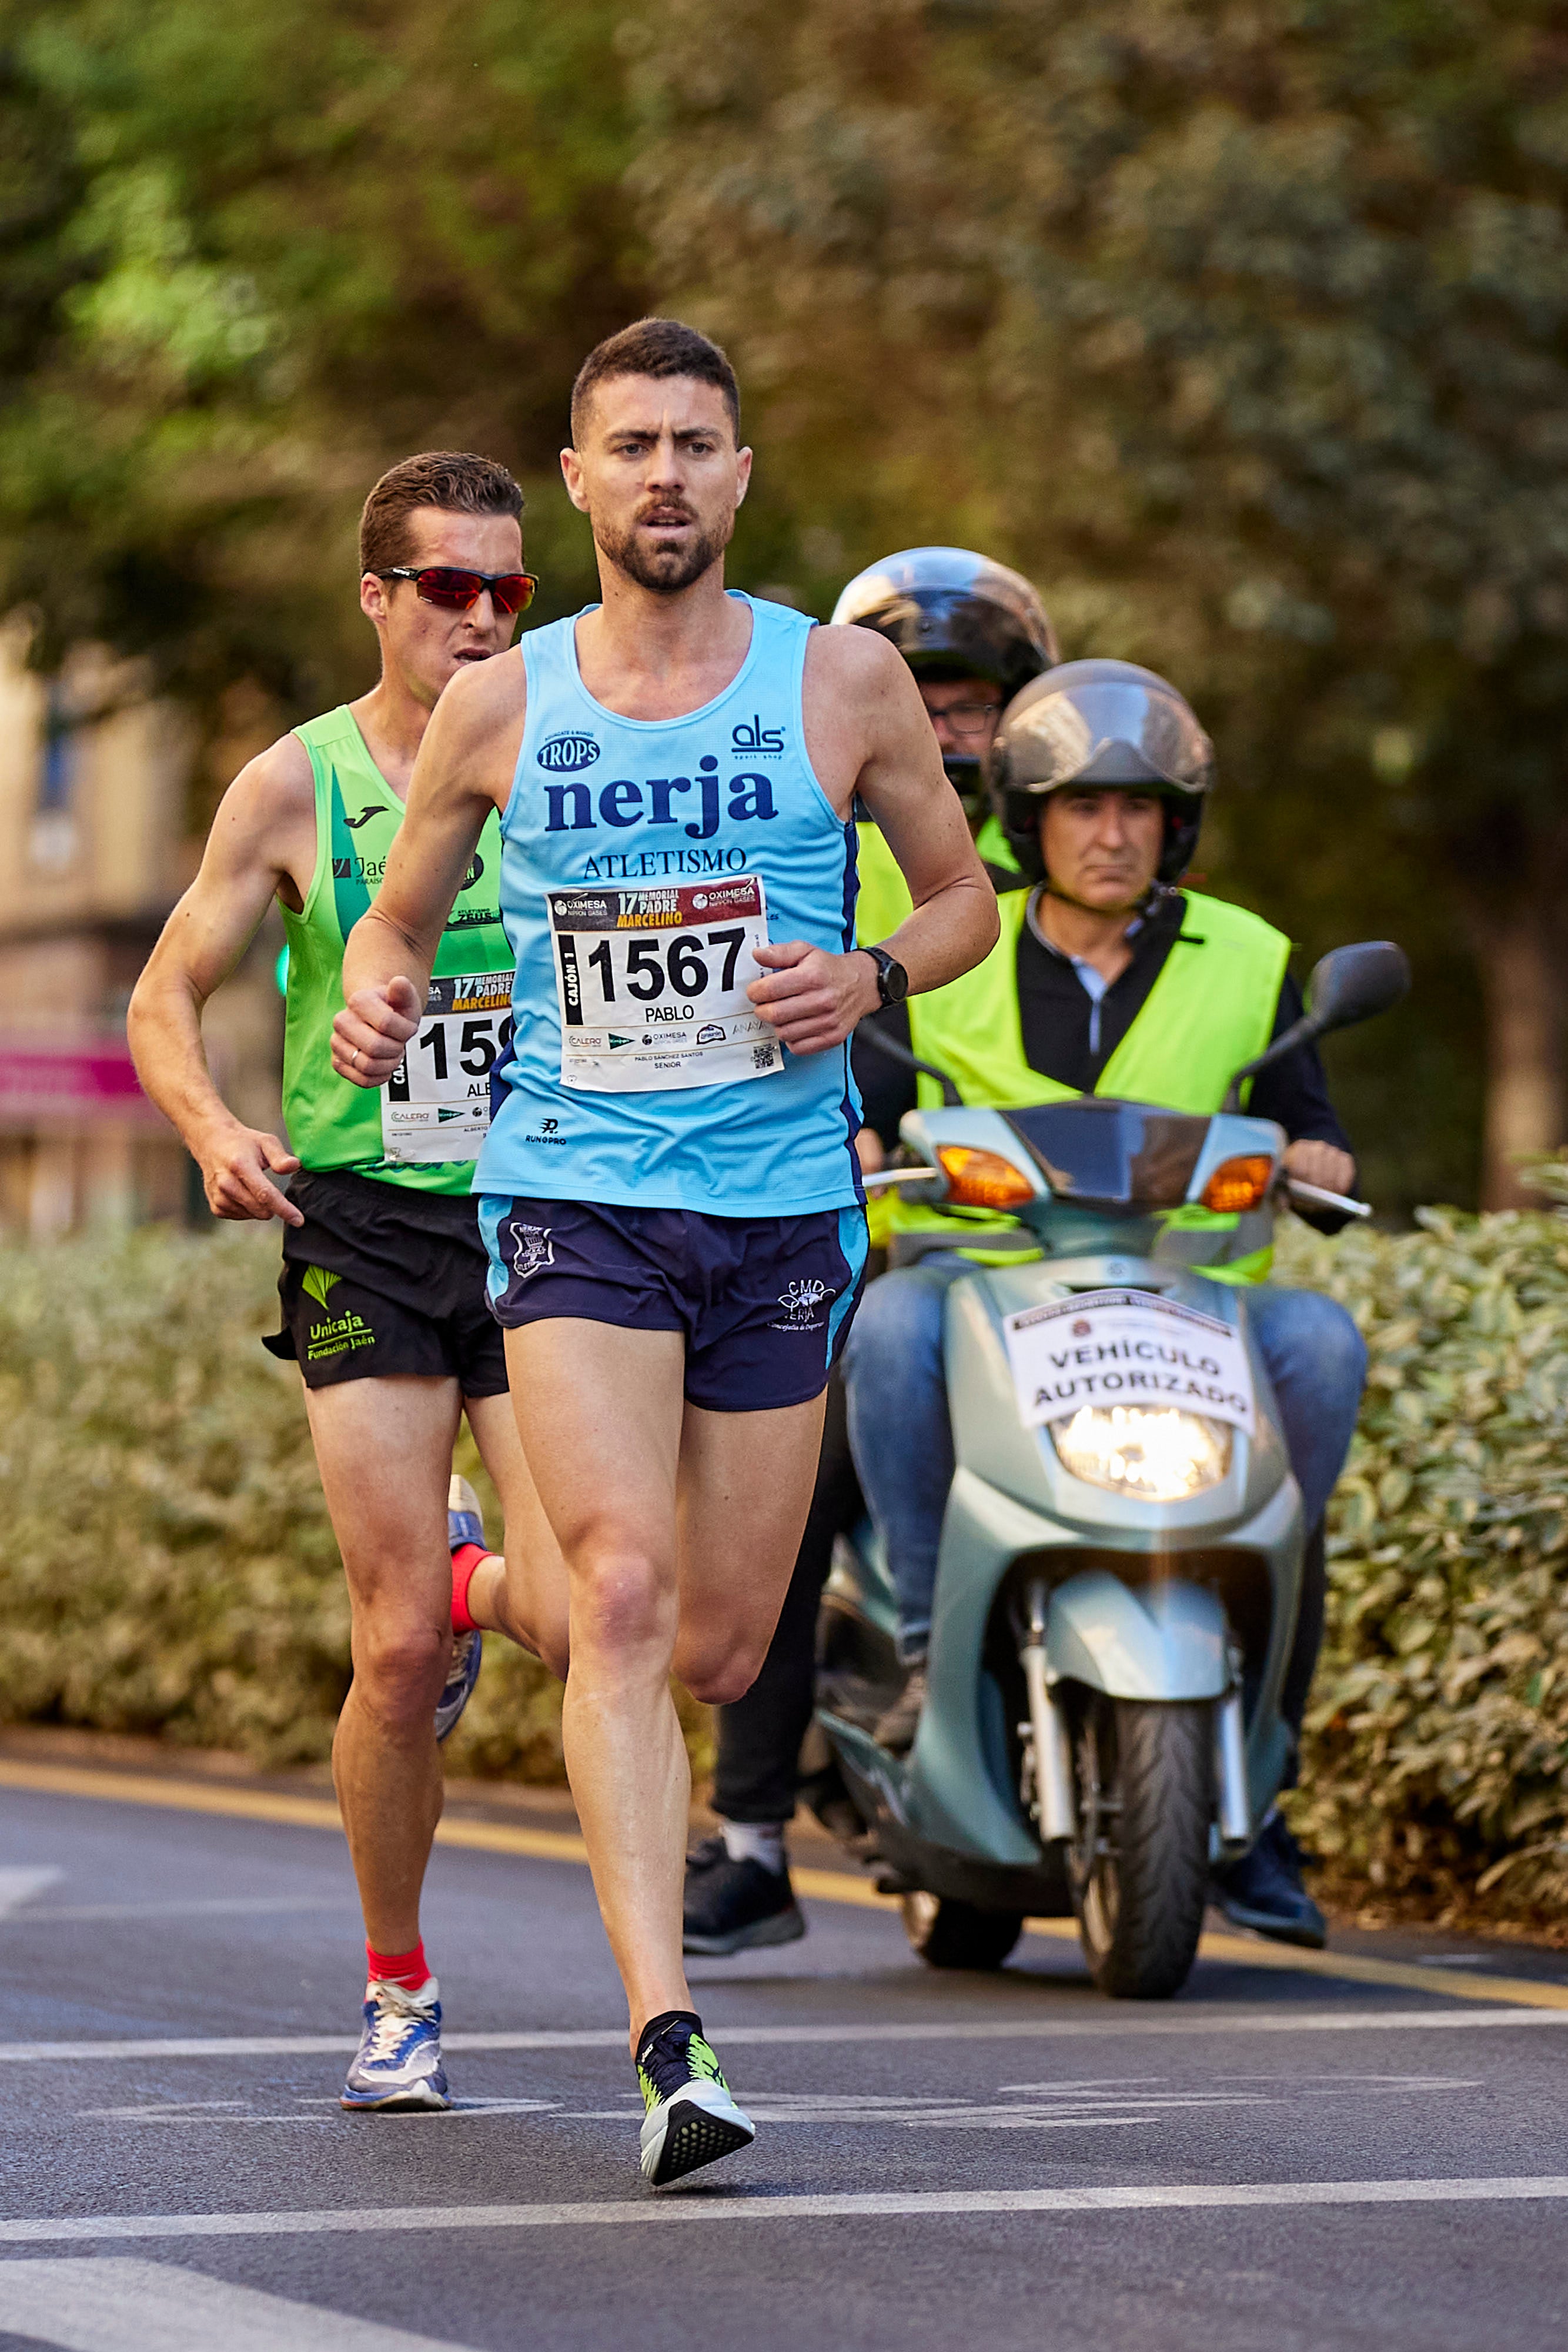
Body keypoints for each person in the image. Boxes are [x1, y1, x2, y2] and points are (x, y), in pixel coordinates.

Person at [330, 319, 999, 2187]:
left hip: (779, 1210)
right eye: (630, 446)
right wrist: (376, 995)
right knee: (621, 1597)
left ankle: (481, 1578)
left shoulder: (842, 680)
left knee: (712, 1642)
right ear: (578, 480)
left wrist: (866, 974)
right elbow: (397, 924)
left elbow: (961, 900)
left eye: (696, 444)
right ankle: (667, 2042)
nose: (665, 477)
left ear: (741, 474)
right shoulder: (501, 704)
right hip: (574, 1194)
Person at [128, 452, 571, 2114]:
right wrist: (212, 1128)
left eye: (507, 589)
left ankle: (466, 1575)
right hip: (368, 1223)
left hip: (552, 1216)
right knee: (391, 1656)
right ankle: (398, 1990)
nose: (481, 617)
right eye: (447, 587)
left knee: (584, 1615)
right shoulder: (292, 784)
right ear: (377, 598)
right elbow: (163, 996)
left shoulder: (576, 761)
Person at [840, 659, 1369, 1947]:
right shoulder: (955, 939)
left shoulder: (1247, 955)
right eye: (1083, 805)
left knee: (1321, 1339)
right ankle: (926, 1647)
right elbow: (867, 1089)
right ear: (1029, 821)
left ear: (1176, 825)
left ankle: (1258, 1704)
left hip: (1189, 1297)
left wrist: (1319, 1157)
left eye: (1141, 807)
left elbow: (1307, 1120)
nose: (1114, 832)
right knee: (891, 1325)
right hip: (982, 1278)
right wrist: (860, 1138)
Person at [684, 547, 1058, 1958]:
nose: (949, 729)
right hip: (864, 1259)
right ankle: (750, 1835)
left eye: (976, 702)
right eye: (927, 699)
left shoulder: (1082, 867)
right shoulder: (797, 845)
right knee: (787, 1493)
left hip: (1063, 1270)